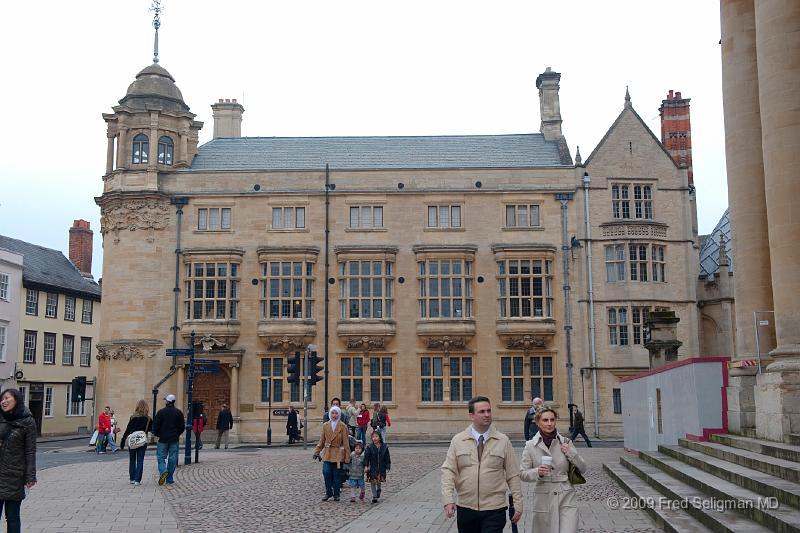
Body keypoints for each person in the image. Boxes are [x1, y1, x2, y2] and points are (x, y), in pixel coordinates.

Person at [441, 395, 523, 532]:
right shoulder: (458, 440)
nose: (487, 415)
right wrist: (448, 499)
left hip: (495, 509)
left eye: (489, 411)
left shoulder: (503, 441)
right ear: (471, 416)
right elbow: (448, 471)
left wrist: (518, 503)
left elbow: (512, 474)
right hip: (466, 508)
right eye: (482, 412)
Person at [520, 407, 587, 533]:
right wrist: (537, 472)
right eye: (545, 420)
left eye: (552, 419)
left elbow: (583, 468)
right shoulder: (530, 446)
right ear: (538, 422)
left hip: (566, 496)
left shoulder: (566, 442)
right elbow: (523, 473)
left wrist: (571, 453)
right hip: (543, 497)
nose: (549, 423)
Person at [0, 388, 37, 533]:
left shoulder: (27, 421)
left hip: (14, 475)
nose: (4, 401)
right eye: (2, 399)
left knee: (12, 516)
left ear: (16, 400)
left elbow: (30, 450)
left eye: (7, 398)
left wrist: (30, 476)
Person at [313, 405, 351, 501]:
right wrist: (317, 451)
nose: (334, 415)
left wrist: (347, 457)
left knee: (337, 476)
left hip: (338, 453)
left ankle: (336, 494)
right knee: (326, 472)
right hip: (328, 453)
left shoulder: (343, 426)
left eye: (336, 413)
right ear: (330, 414)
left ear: (339, 414)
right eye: (333, 413)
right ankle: (328, 492)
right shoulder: (325, 425)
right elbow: (321, 440)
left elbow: (346, 443)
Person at [152, 394, 185, 486]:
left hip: (163, 438)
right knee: (172, 458)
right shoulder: (178, 412)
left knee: (161, 457)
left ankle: (163, 471)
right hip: (174, 438)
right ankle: (169, 479)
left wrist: (158, 434)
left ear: (168, 401)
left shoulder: (161, 412)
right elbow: (182, 427)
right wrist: (177, 434)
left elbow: (156, 425)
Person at [120, 399, 153, 486]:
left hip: (133, 441)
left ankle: (132, 478)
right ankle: (137, 480)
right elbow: (152, 429)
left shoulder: (133, 417)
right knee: (140, 460)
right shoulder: (148, 418)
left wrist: (123, 441)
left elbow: (128, 430)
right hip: (142, 441)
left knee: (132, 460)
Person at [364, 430, 390, 504]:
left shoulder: (384, 447)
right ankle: (374, 496)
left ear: (380, 438)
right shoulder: (369, 447)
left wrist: (388, 465)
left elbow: (387, 457)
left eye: (376, 436)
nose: (374, 438)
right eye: (373, 437)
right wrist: (366, 466)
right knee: (372, 482)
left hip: (381, 467)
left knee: (378, 480)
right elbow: (366, 458)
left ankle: (379, 489)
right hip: (372, 467)